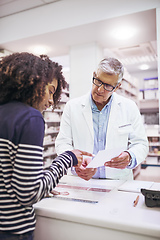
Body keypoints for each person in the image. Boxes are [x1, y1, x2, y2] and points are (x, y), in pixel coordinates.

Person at [0, 52, 92, 240]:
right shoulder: (30, 118)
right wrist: (68, 158)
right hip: (12, 231)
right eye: (51, 91)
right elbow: (29, 194)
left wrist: (42, 181)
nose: (51, 101)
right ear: (34, 81)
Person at [55, 57, 149, 181]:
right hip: (81, 182)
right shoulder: (72, 107)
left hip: (117, 181)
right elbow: (62, 142)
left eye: (108, 86)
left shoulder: (129, 107)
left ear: (117, 87)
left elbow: (141, 144)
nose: (100, 90)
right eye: (98, 81)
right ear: (94, 75)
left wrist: (130, 156)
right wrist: (74, 162)